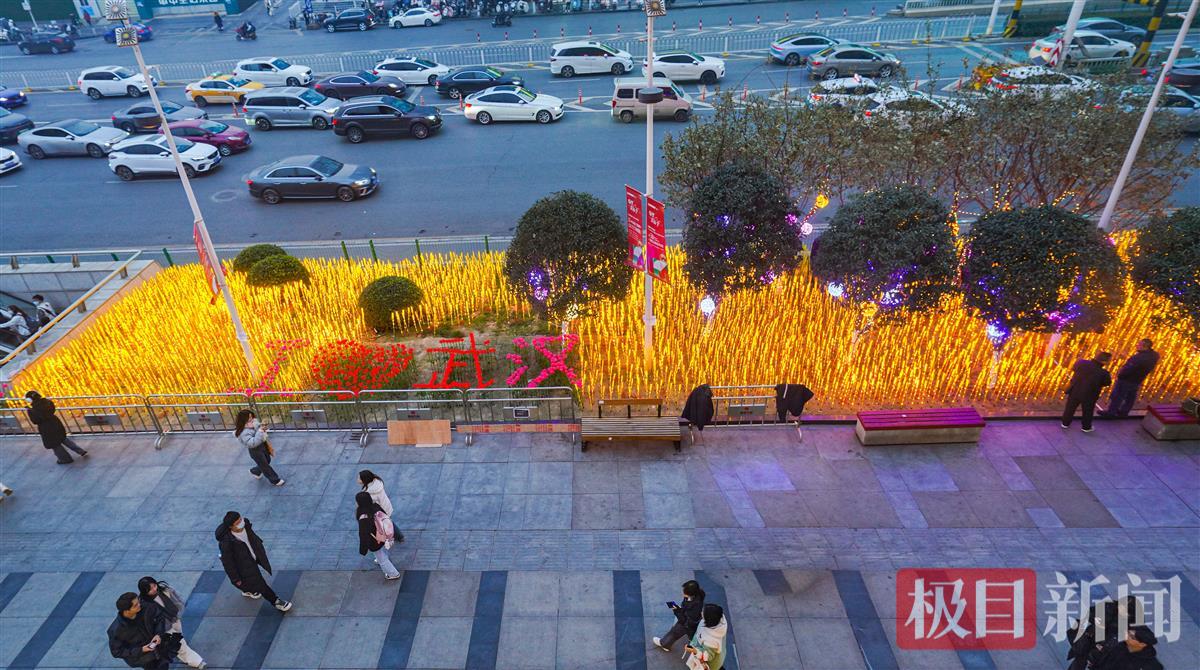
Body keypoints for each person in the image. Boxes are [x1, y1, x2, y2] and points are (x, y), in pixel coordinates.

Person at [215, 511, 293, 612]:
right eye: (237, 523)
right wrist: (235, 579)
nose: (241, 523)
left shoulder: (246, 525)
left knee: (251, 583)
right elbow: (228, 563)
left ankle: (248, 590)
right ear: (231, 527)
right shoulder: (227, 542)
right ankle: (276, 601)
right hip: (245, 565)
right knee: (260, 584)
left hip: (255, 556)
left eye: (240, 519)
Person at [136, 577, 206, 669]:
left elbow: (178, 600)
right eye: (150, 589)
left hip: (175, 619)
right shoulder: (144, 604)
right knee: (179, 644)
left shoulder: (165, 590)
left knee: (178, 641)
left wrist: (179, 613)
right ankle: (197, 662)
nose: (154, 589)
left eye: (154, 586)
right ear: (144, 592)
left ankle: (178, 650)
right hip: (164, 627)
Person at [107, 592, 176, 670]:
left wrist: (158, 634)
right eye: (135, 605)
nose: (139, 605)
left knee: (164, 665)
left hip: (159, 648)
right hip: (143, 659)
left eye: (138, 601)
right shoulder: (116, 630)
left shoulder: (146, 608)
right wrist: (141, 649)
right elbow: (117, 651)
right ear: (126, 611)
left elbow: (159, 617)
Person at [26, 390, 88, 464]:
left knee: (54, 444)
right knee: (62, 438)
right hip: (55, 422)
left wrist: (29, 411)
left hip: (46, 427)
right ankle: (80, 451)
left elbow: (35, 421)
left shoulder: (33, 410)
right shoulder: (47, 402)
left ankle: (65, 459)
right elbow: (51, 410)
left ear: (30, 399)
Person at [1103, 339, 1160, 418]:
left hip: (1127, 379)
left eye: (1139, 344)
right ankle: (1124, 412)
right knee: (1130, 397)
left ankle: (1111, 412)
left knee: (1118, 396)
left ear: (1145, 347)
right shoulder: (1154, 356)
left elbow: (1129, 369)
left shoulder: (1138, 358)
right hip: (1138, 380)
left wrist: (1121, 375)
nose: (1137, 345)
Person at [1061, 352, 1113, 433]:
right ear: (1104, 361)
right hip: (1090, 395)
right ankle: (1086, 427)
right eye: (1109, 360)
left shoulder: (1081, 363)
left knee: (1070, 408)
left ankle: (1065, 423)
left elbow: (1074, 368)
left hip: (1075, 390)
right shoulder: (1103, 373)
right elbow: (1107, 383)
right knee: (1088, 411)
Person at [356, 491, 401, 579]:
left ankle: (393, 574)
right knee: (382, 550)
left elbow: (363, 534)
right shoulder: (375, 506)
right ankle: (386, 557)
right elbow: (385, 517)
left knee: (381, 559)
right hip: (383, 534)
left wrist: (363, 549)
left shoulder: (363, 517)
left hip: (374, 540)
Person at [234, 409, 284, 486]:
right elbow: (252, 443)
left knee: (267, 460)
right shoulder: (243, 432)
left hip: (262, 445)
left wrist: (263, 427)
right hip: (255, 450)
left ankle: (255, 471)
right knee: (265, 466)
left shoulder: (254, 423)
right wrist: (260, 431)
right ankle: (275, 480)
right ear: (243, 419)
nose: (251, 419)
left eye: (251, 416)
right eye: (249, 417)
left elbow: (259, 429)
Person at [653, 579, 705, 651]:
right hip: (691, 621)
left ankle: (664, 644)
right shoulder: (697, 596)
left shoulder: (694, 606)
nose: (682, 592)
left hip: (687, 623)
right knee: (689, 632)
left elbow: (684, 620)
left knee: (674, 632)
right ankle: (691, 639)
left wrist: (676, 610)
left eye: (684, 591)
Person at [1088, 625, 1163, 670]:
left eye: (1132, 636)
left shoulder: (1151, 665)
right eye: (1128, 633)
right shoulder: (1118, 649)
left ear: (1142, 644)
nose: (1127, 635)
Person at [685, 603, 728, 670]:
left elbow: (708, 656)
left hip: (710, 663)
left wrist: (694, 651)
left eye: (703, 612)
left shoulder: (711, 640)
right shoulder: (720, 619)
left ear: (709, 619)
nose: (701, 612)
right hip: (719, 654)